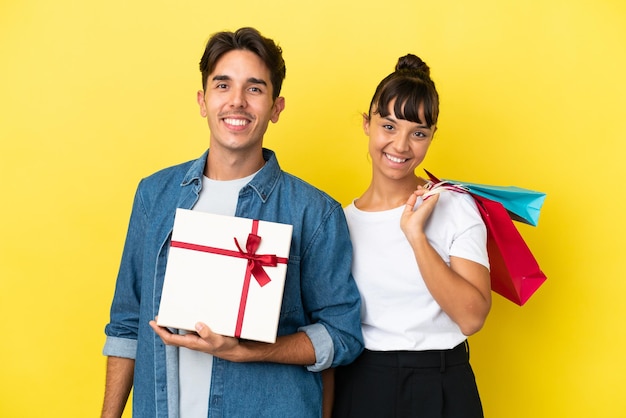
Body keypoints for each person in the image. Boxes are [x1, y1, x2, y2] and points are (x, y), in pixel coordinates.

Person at [101, 27, 363, 418]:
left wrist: (249, 351)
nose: (237, 102)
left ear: (276, 107)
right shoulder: (154, 196)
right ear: (203, 100)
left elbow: (342, 335)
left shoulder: (315, 212)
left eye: (255, 89)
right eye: (222, 85)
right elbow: (125, 326)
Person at [332, 54, 491, 418]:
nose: (401, 146)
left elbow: (471, 318)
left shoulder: (453, 205)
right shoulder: (340, 221)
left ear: (432, 136)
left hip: (442, 382)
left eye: (418, 133)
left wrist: (416, 235)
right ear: (366, 124)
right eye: (388, 126)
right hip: (363, 381)